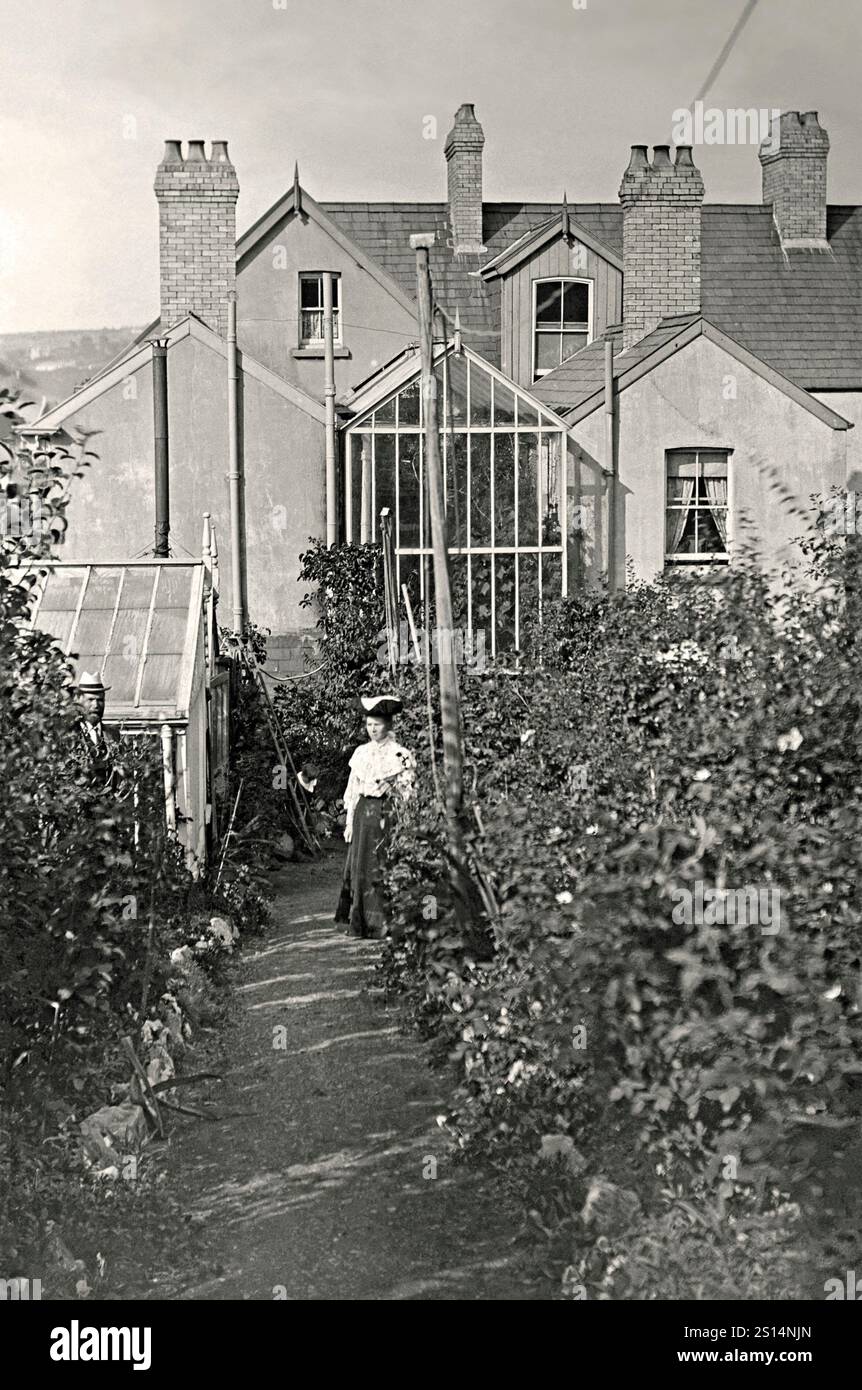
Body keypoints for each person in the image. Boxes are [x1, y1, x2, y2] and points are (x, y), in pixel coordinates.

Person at [335, 694, 415, 938]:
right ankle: (359, 921)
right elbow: (353, 790)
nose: (372, 730)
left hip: (386, 813)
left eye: (377, 725)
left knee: (382, 863)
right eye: (369, 725)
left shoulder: (400, 754)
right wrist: (349, 822)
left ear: (388, 725)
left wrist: (404, 815)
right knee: (360, 867)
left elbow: (407, 790)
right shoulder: (361, 753)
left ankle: (385, 921)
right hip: (363, 815)